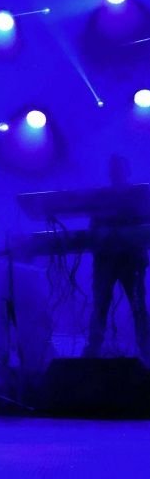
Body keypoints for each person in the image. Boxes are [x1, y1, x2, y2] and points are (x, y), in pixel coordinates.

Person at [84, 154, 150, 364]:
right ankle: (95, 348)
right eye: (114, 168)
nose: (116, 171)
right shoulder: (106, 196)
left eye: (118, 167)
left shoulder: (138, 195)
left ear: (125, 171)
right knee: (103, 304)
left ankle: (144, 349)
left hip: (129, 259)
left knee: (135, 305)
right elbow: (93, 228)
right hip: (111, 259)